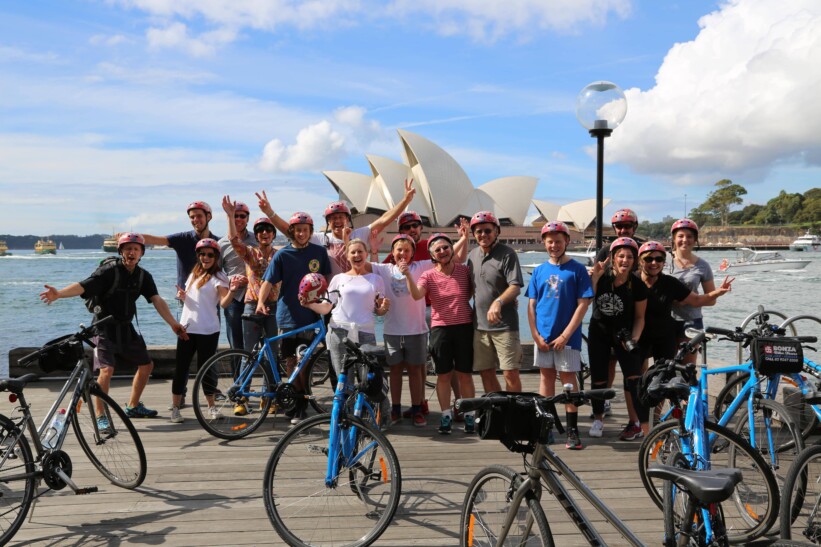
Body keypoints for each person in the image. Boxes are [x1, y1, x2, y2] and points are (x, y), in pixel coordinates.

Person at [39, 233, 188, 423]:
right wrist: (58, 294)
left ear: (142, 253)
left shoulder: (143, 276)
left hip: (126, 328)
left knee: (146, 365)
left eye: (136, 249)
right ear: (121, 251)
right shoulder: (109, 271)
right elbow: (84, 286)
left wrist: (173, 324)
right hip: (103, 329)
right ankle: (101, 416)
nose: (132, 252)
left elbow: (156, 300)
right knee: (106, 370)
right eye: (128, 249)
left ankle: (133, 406)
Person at [256, 212, 331, 424]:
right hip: (287, 315)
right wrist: (261, 302)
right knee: (290, 360)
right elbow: (268, 282)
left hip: (310, 314)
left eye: (305, 230)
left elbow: (328, 280)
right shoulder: (282, 255)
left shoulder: (319, 252)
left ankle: (302, 402)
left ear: (310, 231)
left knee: (304, 360)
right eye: (298, 230)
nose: (301, 233)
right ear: (291, 232)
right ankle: (295, 400)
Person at [256, 178, 416, 277]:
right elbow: (291, 231)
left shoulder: (360, 235)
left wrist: (405, 201)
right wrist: (270, 212)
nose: (338, 221)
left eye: (341, 217)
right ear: (328, 223)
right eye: (333, 219)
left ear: (348, 219)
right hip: (331, 294)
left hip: (357, 288)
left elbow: (385, 219)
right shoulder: (321, 239)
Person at [526, 221, 593, 450]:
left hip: (568, 338)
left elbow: (583, 304)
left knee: (568, 381)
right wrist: (535, 334)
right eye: (550, 241)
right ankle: (547, 427)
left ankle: (573, 431)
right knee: (546, 379)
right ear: (544, 243)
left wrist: (565, 335)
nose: (554, 245)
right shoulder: (539, 270)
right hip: (544, 336)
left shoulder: (577, 269)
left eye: (558, 241)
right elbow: (532, 304)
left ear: (566, 241)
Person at [402, 231, 475, 435]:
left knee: (465, 375)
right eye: (437, 250)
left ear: (452, 249)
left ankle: (469, 415)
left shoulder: (464, 271)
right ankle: (445, 416)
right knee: (443, 375)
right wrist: (408, 274)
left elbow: (472, 292)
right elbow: (417, 295)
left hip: (464, 327)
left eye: (445, 247)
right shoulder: (428, 275)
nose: (442, 251)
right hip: (440, 329)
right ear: (432, 255)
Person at [170, 238, 238, 423]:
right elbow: (194, 301)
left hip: (208, 330)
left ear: (216, 257)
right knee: (181, 369)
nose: (205, 257)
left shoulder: (220, 277)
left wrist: (232, 290)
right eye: (202, 254)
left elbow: (224, 303)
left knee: (206, 370)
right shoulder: (193, 274)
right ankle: (176, 408)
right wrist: (183, 296)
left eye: (210, 254)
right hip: (187, 328)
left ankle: (211, 407)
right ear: (198, 256)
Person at [306, 238, 390, 389]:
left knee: (369, 381)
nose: (357, 255)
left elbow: (379, 311)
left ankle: (367, 411)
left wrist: (383, 308)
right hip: (340, 332)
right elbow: (327, 307)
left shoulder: (376, 279)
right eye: (353, 252)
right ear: (347, 256)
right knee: (344, 382)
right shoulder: (338, 279)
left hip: (367, 333)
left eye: (360, 251)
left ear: (366, 254)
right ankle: (346, 412)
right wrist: (309, 304)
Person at [588, 237, 647, 441]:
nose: (625, 260)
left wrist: (635, 339)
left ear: (635, 260)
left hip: (624, 334)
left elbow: (640, 317)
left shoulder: (637, 283)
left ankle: (636, 422)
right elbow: (588, 300)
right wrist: (595, 278)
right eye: (621, 256)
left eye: (630, 257)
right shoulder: (602, 277)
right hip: (599, 332)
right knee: (599, 378)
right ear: (612, 258)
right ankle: (598, 419)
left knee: (633, 378)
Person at [592, 208, 643, 419]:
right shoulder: (606, 250)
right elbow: (596, 280)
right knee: (607, 365)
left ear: (634, 227)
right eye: (619, 226)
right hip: (606, 320)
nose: (623, 230)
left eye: (627, 226)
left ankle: (640, 413)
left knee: (637, 368)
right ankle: (605, 402)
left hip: (631, 317)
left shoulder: (641, 249)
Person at [467, 211, 524, 393]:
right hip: (480, 327)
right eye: (478, 231)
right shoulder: (472, 256)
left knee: (510, 373)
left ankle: (514, 413)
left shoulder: (508, 254)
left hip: (505, 326)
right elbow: (470, 288)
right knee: (486, 372)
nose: (483, 235)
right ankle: (498, 409)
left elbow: (515, 286)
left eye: (487, 230)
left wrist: (498, 301)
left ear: (496, 231)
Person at [222, 196, 280, 353]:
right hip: (252, 305)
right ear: (256, 236)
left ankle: (269, 379)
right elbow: (234, 241)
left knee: (272, 352)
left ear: (274, 235)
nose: (264, 233)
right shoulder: (251, 253)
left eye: (268, 230)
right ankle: (243, 379)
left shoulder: (280, 255)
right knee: (247, 352)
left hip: (274, 306)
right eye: (260, 231)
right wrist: (230, 216)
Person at [138, 201, 221, 291]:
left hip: (212, 296)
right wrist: (125, 236)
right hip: (186, 296)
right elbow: (155, 239)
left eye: (199, 216)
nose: (195, 219)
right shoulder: (182, 239)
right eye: (192, 217)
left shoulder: (218, 242)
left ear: (208, 217)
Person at [668, 218, 716, 365]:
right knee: (664, 367)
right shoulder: (661, 260)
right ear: (674, 239)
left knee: (687, 368)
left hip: (691, 321)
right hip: (665, 320)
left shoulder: (703, 265)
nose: (685, 240)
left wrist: (688, 300)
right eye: (680, 236)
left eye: (689, 236)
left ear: (695, 240)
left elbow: (711, 299)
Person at [217, 200, 255, 352]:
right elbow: (217, 272)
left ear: (247, 219)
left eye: (242, 216)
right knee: (236, 344)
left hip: (255, 296)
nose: (238, 219)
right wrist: (231, 282)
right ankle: (237, 377)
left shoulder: (256, 239)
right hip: (234, 298)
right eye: (235, 216)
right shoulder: (221, 244)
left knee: (257, 343)